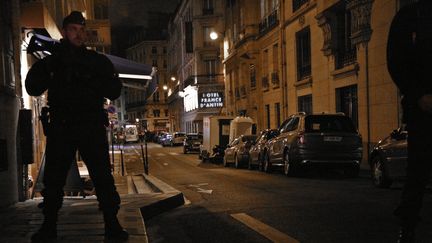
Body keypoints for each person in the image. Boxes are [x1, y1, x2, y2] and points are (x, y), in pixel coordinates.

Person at [26, 11, 128, 241]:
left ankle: (112, 224)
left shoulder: (95, 61)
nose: (79, 34)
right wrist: (49, 68)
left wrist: (97, 79)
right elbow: (32, 86)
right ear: (64, 31)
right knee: (54, 180)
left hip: (90, 125)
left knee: (102, 177)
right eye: (74, 29)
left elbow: (114, 89)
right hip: (62, 126)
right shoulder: (54, 61)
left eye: (82, 30)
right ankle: (49, 226)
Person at [387, 1, 432, 242]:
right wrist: (417, 96)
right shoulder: (409, 16)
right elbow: (396, 61)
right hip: (422, 108)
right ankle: (408, 225)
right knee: (418, 170)